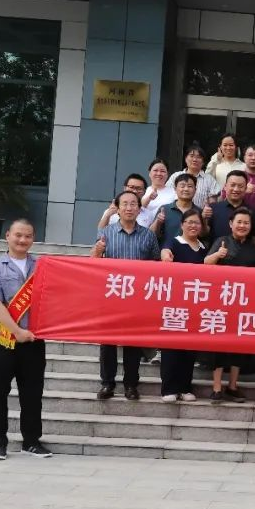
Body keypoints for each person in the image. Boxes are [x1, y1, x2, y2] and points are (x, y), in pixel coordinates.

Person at [0, 218, 51, 460]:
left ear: (33, 239)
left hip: (33, 339)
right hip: (3, 340)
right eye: (18, 235)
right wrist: (17, 331)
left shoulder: (42, 267)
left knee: (32, 393)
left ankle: (31, 441)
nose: (23, 240)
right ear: (8, 236)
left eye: (28, 236)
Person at [92, 191, 160, 402]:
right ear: (117, 208)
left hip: (137, 299)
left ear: (140, 208)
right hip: (112, 296)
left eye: (133, 204)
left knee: (133, 343)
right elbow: (94, 263)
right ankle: (107, 383)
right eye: (125, 204)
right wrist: (97, 251)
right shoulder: (106, 233)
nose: (129, 208)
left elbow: (156, 266)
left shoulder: (148, 235)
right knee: (108, 343)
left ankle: (131, 384)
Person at [204, 207, 255, 404]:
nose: (242, 226)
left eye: (246, 223)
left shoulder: (254, 245)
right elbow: (206, 263)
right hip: (222, 301)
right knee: (219, 345)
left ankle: (233, 386)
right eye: (239, 222)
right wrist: (218, 255)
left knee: (240, 344)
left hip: (245, 303)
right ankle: (217, 388)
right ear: (231, 224)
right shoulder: (221, 241)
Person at [158, 209, 205, 403]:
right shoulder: (174, 242)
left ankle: (185, 387)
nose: (193, 226)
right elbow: (165, 253)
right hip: (175, 304)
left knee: (189, 348)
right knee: (171, 347)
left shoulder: (203, 248)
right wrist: (164, 255)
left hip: (195, 305)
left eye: (197, 223)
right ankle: (168, 388)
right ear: (182, 224)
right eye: (189, 222)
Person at [204, 170, 255, 242]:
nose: (236, 189)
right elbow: (203, 234)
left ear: (245, 188)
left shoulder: (252, 212)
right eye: (232, 185)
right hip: (217, 248)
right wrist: (203, 219)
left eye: (240, 186)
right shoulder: (213, 209)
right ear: (225, 186)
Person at [152, 172, 200, 244]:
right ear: (175, 189)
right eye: (182, 186)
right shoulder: (164, 209)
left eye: (190, 186)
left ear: (195, 190)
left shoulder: (199, 212)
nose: (186, 189)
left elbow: (204, 236)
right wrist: (158, 222)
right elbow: (151, 234)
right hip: (166, 250)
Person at [169, 143, 221, 207]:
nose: (194, 160)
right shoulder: (175, 176)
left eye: (198, 157)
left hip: (201, 213)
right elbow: (167, 195)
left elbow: (215, 201)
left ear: (203, 162)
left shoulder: (210, 180)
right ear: (185, 159)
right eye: (191, 156)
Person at [139, 158, 176, 228]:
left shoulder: (174, 192)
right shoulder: (143, 191)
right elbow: (137, 208)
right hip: (143, 229)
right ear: (149, 173)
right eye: (155, 170)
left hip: (165, 229)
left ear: (167, 174)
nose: (159, 174)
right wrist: (149, 198)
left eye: (162, 171)